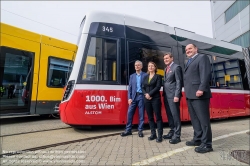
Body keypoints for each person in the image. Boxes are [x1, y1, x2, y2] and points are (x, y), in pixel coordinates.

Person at [184, 44, 213, 153]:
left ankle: (207, 144)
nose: (188, 50)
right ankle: (198, 139)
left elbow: (205, 74)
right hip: (190, 94)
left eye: (190, 48)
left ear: (196, 49)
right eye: (186, 49)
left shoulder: (202, 57)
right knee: (195, 119)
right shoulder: (189, 61)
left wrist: (201, 89)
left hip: (199, 94)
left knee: (203, 120)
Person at [120, 60, 147, 137]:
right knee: (130, 113)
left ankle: (140, 130)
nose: (137, 66)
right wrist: (129, 98)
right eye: (136, 65)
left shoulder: (145, 75)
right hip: (133, 97)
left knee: (141, 114)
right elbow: (130, 88)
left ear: (141, 66)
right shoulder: (132, 76)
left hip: (141, 96)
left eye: (138, 65)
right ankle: (128, 130)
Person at [162, 53, 183, 144]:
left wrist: (177, 95)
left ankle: (177, 135)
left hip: (173, 95)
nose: (165, 60)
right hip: (166, 95)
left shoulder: (176, 67)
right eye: (164, 59)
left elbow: (179, 82)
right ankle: (172, 131)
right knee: (169, 115)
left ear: (172, 58)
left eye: (167, 58)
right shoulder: (166, 69)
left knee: (175, 115)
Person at [142, 61, 163, 143]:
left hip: (155, 99)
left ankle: (160, 135)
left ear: (155, 68)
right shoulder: (145, 77)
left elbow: (158, 87)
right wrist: (146, 94)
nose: (150, 67)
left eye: (152, 66)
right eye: (149, 66)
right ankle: (153, 134)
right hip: (147, 99)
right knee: (150, 117)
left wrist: (150, 94)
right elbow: (142, 87)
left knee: (158, 117)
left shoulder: (158, 77)